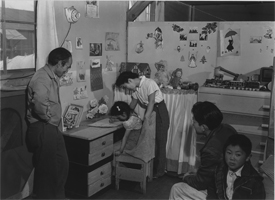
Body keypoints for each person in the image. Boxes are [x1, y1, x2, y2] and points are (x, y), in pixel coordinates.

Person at [26, 47, 72, 199]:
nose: (67, 70)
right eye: (67, 66)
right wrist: (48, 119)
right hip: (43, 128)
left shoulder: (51, 77)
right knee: (48, 171)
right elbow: (39, 101)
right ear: (59, 64)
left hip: (51, 128)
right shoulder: (42, 78)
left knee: (61, 165)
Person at [169, 101, 237, 200]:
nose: (192, 123)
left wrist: (186, 176)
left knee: (176, 188)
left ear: (204, 127)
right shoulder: (227, 128)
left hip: (223, 193)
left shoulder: (210, 150)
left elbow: (200, 183)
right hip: (230, 182)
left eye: (195, 121)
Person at [115, 71, 170, 178]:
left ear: (130, 80)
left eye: (125, 86)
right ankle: (150, 169)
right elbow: (133, 104)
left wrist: (146, 118)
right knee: (150, 141)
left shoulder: (149, 83)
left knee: (160, 141)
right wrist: (123, 114)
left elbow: (152, 101)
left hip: (159, 111)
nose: (127, 90)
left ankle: (159, 171)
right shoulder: (135, 88)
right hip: (150, 111)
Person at [207, 134, 266, 200]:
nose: (232, 158)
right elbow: (211, 191)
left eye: (238, 155)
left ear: (248, 157)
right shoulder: (218, 170)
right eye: (229, 153)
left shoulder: (254, 181)